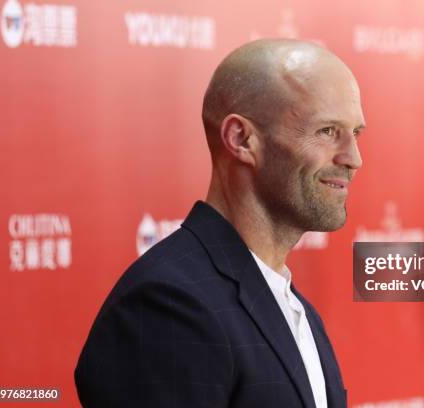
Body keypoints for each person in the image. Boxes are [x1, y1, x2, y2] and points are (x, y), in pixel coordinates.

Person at [74, 38, 365, 408]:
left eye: (355, 133)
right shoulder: (170, 306)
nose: (354, 158)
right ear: (241, 139)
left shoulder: (296, 309)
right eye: (327, 131)